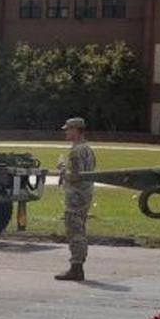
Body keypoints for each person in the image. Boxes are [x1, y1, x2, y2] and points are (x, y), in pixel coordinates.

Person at [55, 117, 97, 281]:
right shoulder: (88, 149)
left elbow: (74, 176)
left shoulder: (76, 151)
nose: (66, 132)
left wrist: (62, 168)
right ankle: (77, 265)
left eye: (68, 129)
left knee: (75, 232)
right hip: (85, 195)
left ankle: (76, 267)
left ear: (76, 130)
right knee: (80, 230)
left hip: (75, 197)